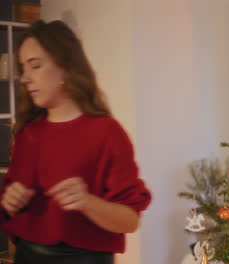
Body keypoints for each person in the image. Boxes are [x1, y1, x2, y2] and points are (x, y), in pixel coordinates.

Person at [0, 20, 152, 264]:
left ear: (65, 68)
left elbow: (130, 220)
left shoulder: (106, 133)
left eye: (35, 66)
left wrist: (87, 203)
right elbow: (9, 212)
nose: (25, 78)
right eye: (23, 68)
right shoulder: (28, 134)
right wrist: (9, 202)